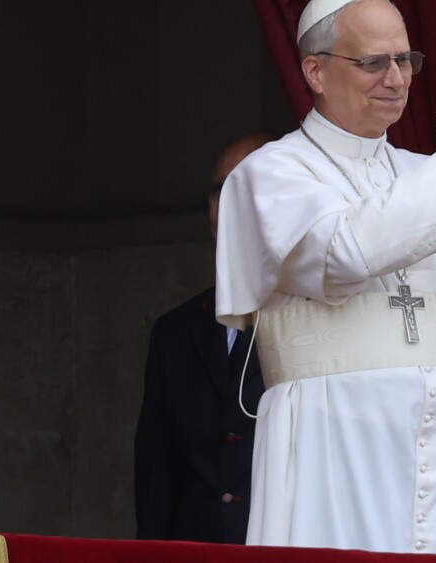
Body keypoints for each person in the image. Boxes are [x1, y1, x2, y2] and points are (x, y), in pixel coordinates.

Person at [213, 0, 436, 556]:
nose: (396, 79)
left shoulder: (428, 173)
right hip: (329, 440)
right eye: (374, 62)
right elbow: (343, 254)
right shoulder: (270, 173)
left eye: (405, 60)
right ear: (315, 71)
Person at [134, 132, 273, 544]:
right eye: (219, 191)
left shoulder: (328, 319)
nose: (229, 206)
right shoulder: (174, 332)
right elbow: (158, 477)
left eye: (247, 188)